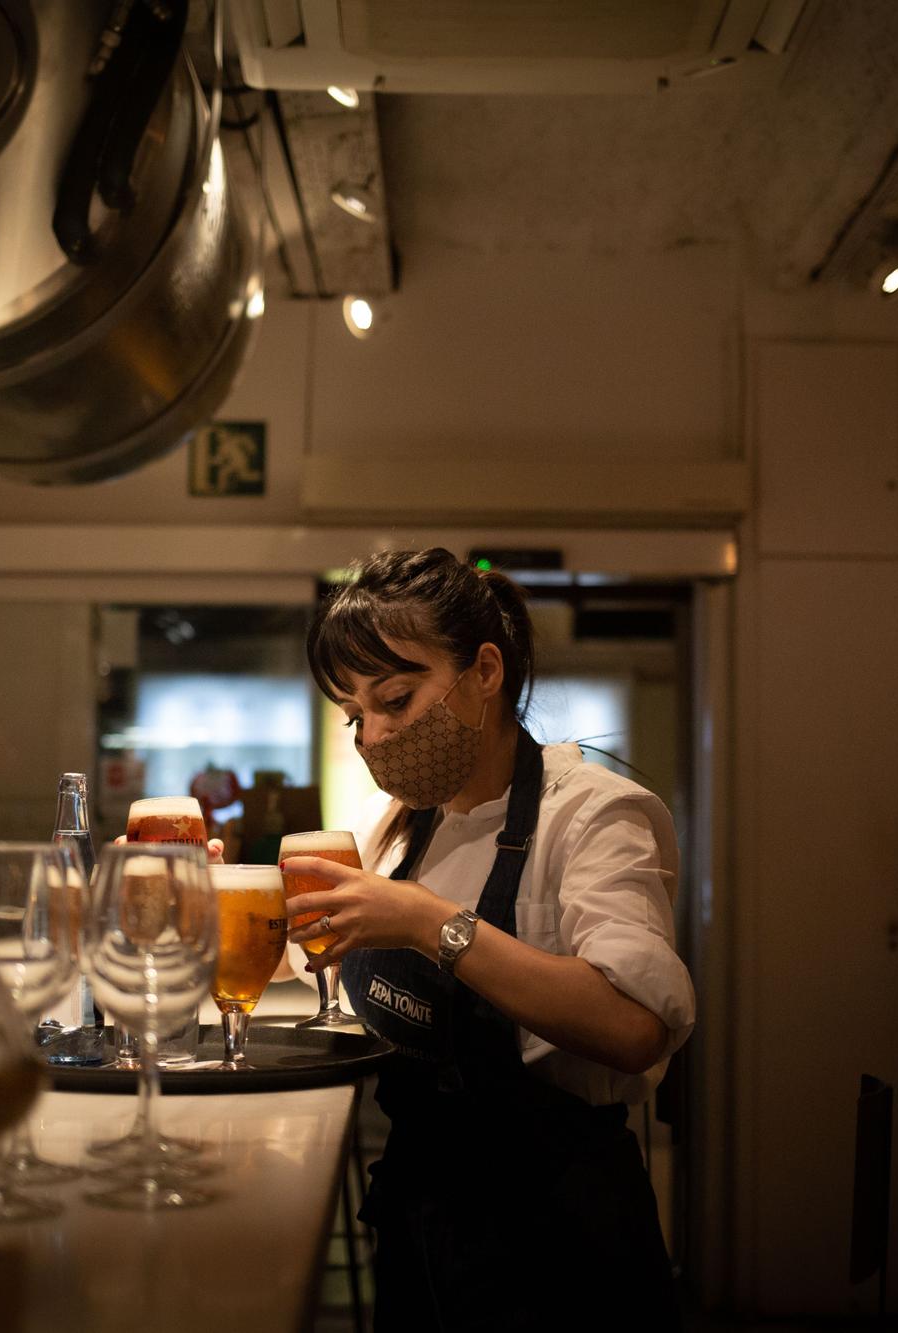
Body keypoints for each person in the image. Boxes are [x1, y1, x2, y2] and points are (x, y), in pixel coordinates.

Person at [282, 548, 693, 1330]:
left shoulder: (592, 816)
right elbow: (332, 979)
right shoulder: (401, 831)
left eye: (396, 698)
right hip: (423, 1216)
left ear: (485, 671)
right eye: (354, 713)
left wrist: (425, 921)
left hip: (558, 1233)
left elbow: (635, 1027)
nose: (372, 736)